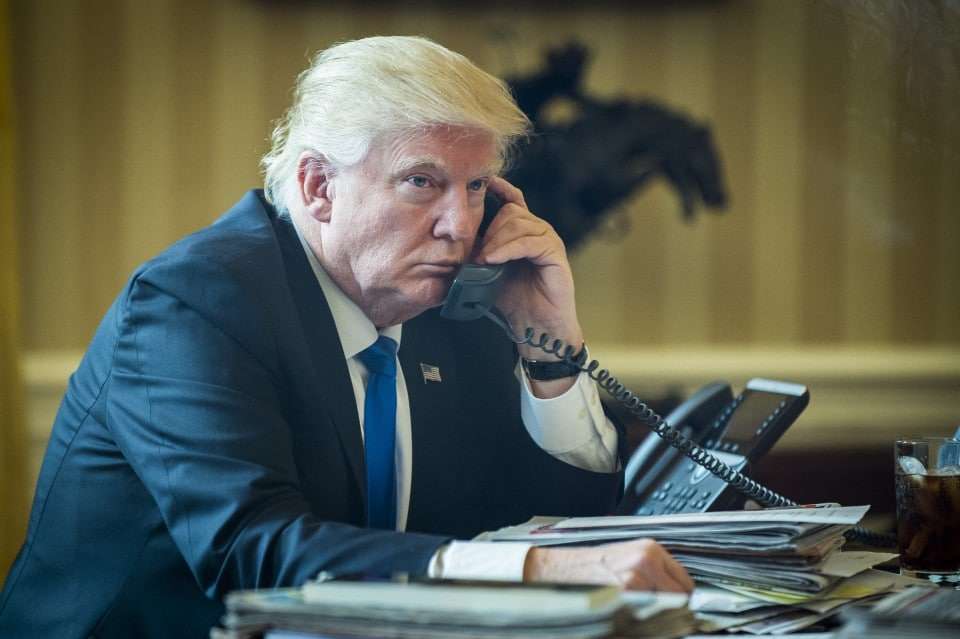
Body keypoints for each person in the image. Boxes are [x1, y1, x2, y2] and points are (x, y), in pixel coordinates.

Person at [0, 36, 692, 638]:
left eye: (478, 186)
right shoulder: (196, 302)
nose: (458, 224)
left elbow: (562, 528)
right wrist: (534, 569)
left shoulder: (450, 305)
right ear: (318, 186)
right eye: (422, 182)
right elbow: (255, 550)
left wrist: (550, 356)